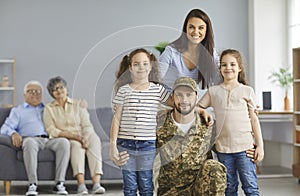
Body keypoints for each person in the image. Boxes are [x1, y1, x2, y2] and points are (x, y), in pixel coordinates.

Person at [110, 48, 176, 196]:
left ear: (151, 66)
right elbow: (116, 119)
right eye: (137, 64)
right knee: (130, 186)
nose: (141, 67)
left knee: (146, 185)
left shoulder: (157, 90)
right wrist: (113, 146)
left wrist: (165, 112)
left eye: (145, 64)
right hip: (125, 144)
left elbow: (177, 105)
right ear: (130, 68)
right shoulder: (123, 90)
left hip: (147, 145)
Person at [198, 49, 264, 195]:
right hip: (223, 149)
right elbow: (197, 107)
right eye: (224, 65)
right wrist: (203, 112)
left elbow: (254, 119)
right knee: (228, 188)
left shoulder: (247, 91)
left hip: (245, 148)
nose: (228, 68)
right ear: (220, 68)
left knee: (250, 187)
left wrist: (260, 146)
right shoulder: (213, 91)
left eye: (232, 64)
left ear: (239, 67)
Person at [156, 76, 227, 196]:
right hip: (171, 191)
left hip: (200, 188)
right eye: (179, 95)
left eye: (189, 95)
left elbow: (227, 146)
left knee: (214, 167)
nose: (184, 100)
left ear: (196, 97)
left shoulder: (207, 124)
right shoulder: (160, 123)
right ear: (172, 97)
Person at [0, 80, 70, 196]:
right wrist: (13, 133)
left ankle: (59, 183)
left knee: (64, 143)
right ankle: (32, 184)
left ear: (42, 94)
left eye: (37, 92)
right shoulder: (18, 111)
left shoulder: (49, 108)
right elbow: (4, 128)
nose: (34, 94)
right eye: (30, 91)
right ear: (24, 95)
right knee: (29, 143)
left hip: (49, 139)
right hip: (31, 139)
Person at [43, 76, 105, 195]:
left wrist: (85, 137)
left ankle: (96, 184)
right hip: (67, 137)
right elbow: (51, 129)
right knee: (76, 146)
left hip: (85, 134)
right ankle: (81, 185)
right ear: (52, 93)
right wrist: (75, 137)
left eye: (61, 87)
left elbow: (87, 125)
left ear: (66, 89)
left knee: (95, 141)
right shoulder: (49, 108)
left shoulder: (78, 105)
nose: (59, 91)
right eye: (55, 89)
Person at [158, 8, 222, 93]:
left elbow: (220, 81)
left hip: (197, 102)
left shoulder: (211, 53)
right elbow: (156, 80)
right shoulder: (171, 51)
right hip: (171, 101)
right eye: (191, 27)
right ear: (186, 29)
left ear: (206, 30)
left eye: (201, 28)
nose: (196, 32)